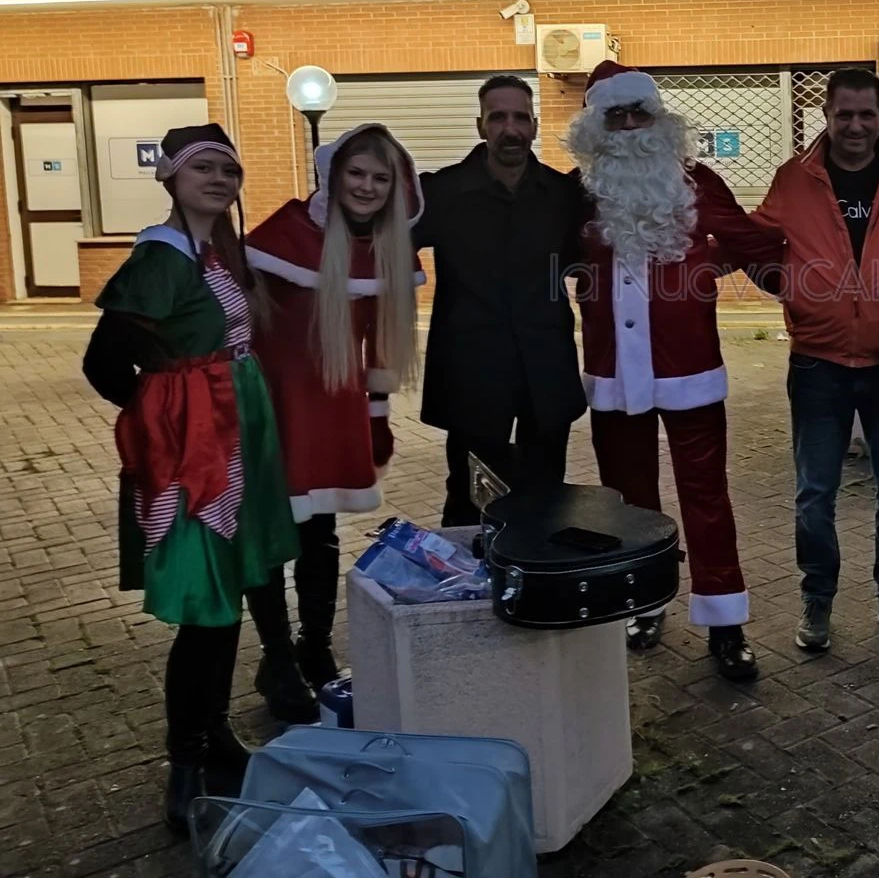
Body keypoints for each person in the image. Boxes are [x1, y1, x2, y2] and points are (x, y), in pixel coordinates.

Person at [81, 124, 299, 835]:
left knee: (230, 595)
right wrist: (167, 413)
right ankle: (184, 764)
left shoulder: (214, 254)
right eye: (202, 167)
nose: (218, 179)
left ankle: (214, 739)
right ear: (170, 177)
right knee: (207, 610)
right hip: (197, 449)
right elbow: (105, 360)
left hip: (237, 433)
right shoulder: (161, 254)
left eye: (228, 169)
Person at [565, 62, 778, 681]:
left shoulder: (697, 184)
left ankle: (724, 621)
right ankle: (645, 603)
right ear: (596, 126)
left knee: (707, 499)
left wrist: (707, 272)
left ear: (660, 121)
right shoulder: (574, 195)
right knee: (631, 505)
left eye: (640, 113)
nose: (630, 126)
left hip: (690, 372)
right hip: (611, 377)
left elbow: (757, 246)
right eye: (616, 115)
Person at [752, 67, 879, 653]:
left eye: (867, 114)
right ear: (827, 116)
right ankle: (818, 599)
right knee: (815, 493)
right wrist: (791, 289)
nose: (856, 126)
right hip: (818, 362)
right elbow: (759, 241)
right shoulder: (795, 178)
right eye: (845, 115)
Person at [242, 124, 425, 721]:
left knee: (319, 532)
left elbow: (377, 343)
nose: (368, 187)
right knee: (271, 536)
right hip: (273, 402)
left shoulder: (384, 248)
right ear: (333, 173)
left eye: (381, 177)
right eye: (357, 173)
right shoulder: (284, 234)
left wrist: (378, 415)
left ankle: (313, 646)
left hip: (333, 403)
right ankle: (277, 659)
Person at [414, 75, 587, 526]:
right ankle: (469, 593)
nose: (510, 128)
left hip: (545, 367)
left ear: (533, 125)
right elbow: (373, 238)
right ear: (480, 126)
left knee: (548, 496)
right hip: (471, 369)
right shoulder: (441, 193)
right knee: (470, 497)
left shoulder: (564, 196)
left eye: (520, 118)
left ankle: (540, 589)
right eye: (498, 117)